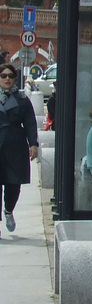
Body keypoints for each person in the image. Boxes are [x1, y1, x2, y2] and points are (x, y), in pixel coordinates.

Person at [0, 62, 38, 237]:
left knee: (13, 183)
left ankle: (8, 210)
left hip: (15, 144)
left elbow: (30, 123)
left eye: (10, 76)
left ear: (15, 78)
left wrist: (33, 144)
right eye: (3, 76)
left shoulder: (22, 100)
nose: (7, 79)